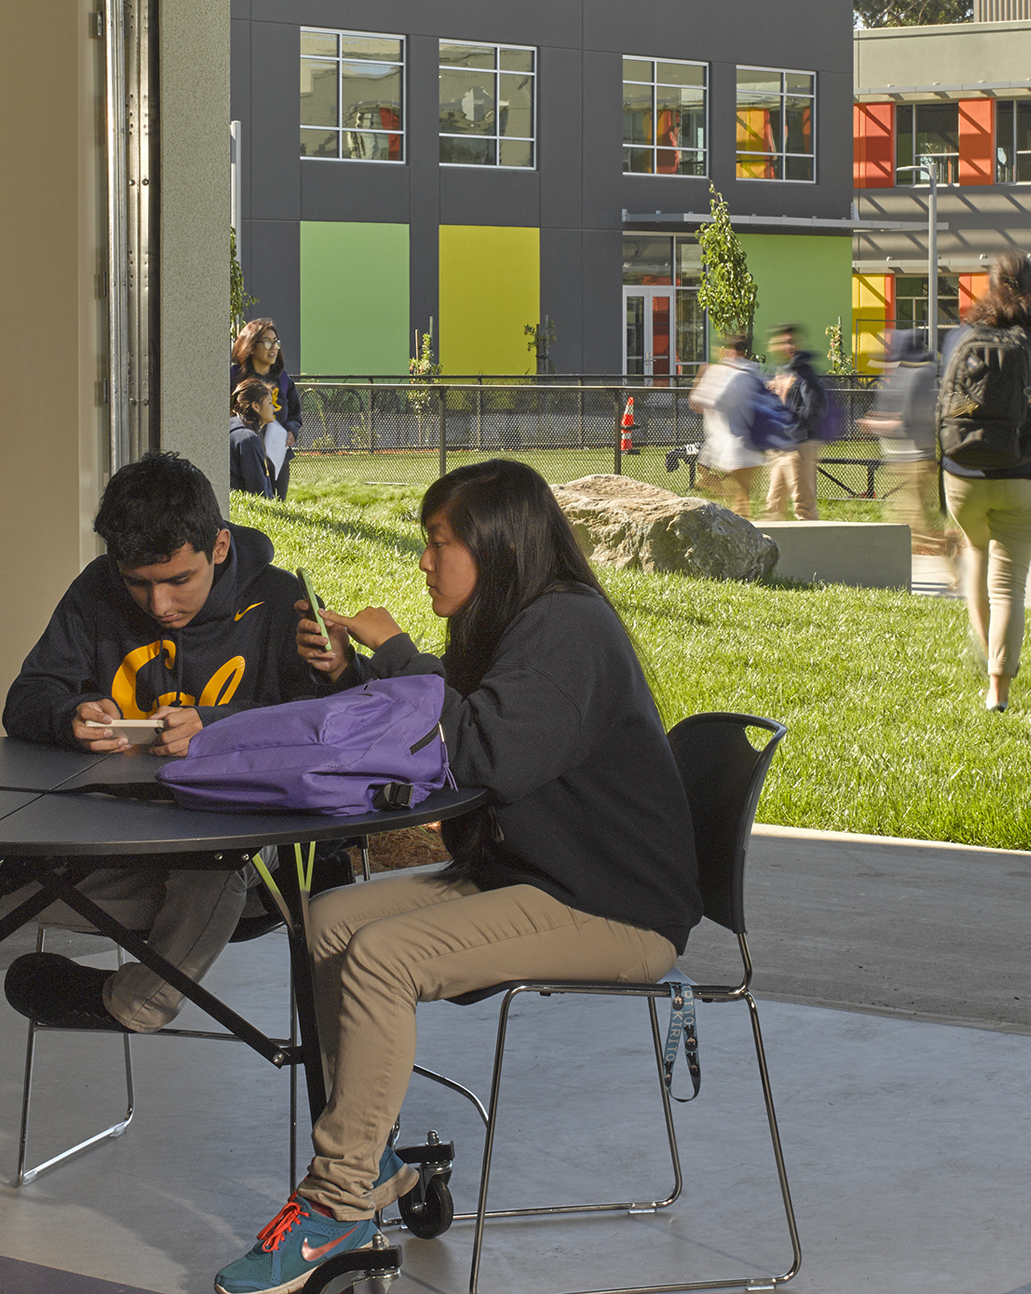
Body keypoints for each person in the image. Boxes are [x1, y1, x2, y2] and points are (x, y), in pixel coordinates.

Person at [213, 458, 702, 1294]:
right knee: (330, 921)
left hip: (615, 906)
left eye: (440, 542)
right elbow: (447, 731)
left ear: (499, 544)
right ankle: (368, 1152)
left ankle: (336, 1201)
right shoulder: (511, 623)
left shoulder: (567, 627)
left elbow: (484, 754)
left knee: (383, 957)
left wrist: (397, 652)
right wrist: (353, 673)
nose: (425, 560)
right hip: (534, 876)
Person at [2, 453, 350, 1033]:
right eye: (137, 583)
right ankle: (134, 993)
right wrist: (69, 715)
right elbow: (26, 699)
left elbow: (324, 726)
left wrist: (215, 728)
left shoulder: (277, 601)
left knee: (214, 864)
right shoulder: (95, 590)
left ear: (219, 546)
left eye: (177, 580)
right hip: (120, 836)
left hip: (247, 849)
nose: (159, 605)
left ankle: (134, 1004)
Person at [936, 254, 1031, 712]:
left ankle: (987, 647)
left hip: (962, 473)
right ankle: (998, 688)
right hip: (1023, 471)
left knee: (976, 555)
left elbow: (951, 403)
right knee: (1009, 583)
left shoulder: (962, 334)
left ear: (990, 285)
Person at [861, 330, 950, 563]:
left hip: (916, 461)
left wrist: (876, 424)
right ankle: (898, 569)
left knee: (913, 525)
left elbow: (908, 422)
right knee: (906, 521)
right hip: (902, 461)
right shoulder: (908, 373)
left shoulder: (920, 375)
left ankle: (949, 557)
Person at [688, 333, 764, 517]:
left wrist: (701, 377)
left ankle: (739, 528)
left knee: (735, 498)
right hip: (752, 444)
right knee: (740, 496)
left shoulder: (729, 375)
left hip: (732, 447)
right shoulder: (755, 374)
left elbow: (700, 403)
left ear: (730, 351)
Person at [231, 318, 301, 500]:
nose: (274, 348)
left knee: (276, 504)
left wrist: (291, 431)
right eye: (267, 342)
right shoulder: (233, 377)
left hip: (277, 457)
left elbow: (295, 415)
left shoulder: (283, 380)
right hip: (244, 455)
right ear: (251, 345)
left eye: (276, 342)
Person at [763, 322, 827, 522]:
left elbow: (814, 408)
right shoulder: (782, 371)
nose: (788, 347)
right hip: (781, 447)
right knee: (773, 505)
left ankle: (813, 541)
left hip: (799, 446)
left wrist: (794, 430)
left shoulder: (804, 374)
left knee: (803, 506)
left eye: (791, 342)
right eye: (783, 342)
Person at [230, 379, 277, 498]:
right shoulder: (249, 439)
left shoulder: (233, 430)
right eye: (270, 403)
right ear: (255, 406)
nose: (274, 408)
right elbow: (258, 492)